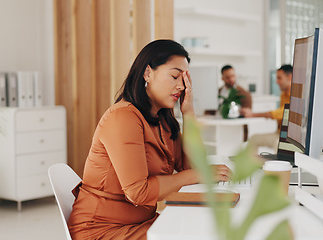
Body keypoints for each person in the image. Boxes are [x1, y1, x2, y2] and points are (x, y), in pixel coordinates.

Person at [68, 40, 231, 240]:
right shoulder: (123, 117)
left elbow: (192, 166)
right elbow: (138, 192)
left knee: (209, 226)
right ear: (147, 73)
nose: (181, 85)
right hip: (101, 230)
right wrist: (200, 175)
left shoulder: (162, 118)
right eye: (174, 76)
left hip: (141, 223)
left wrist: (188, 113)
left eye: (185, 78)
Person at [243, 64, 293, 151]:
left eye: (279, 78)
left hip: (290, 138)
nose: (276, 81)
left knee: (277, 143)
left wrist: (252, 114)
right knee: (254, 139)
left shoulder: (296, 96)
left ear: (289, 77)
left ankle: (277, 164)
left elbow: (281, 114)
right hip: (279, 134)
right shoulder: (283, 95)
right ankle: (250, 164)